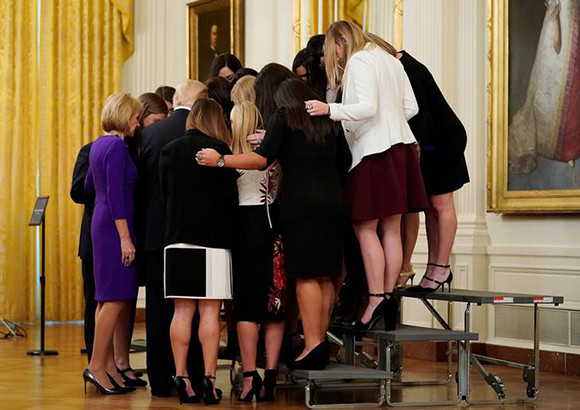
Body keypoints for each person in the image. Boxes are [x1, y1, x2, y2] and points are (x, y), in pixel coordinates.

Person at [196, 78, 352, 370]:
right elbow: (344, 159)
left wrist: (220, 160)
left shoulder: (284, 116)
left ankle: (312, 344)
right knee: (325, 275)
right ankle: (321, 341)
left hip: (301, 203)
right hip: (333, 200)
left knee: (306, 274)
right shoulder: (327, 118)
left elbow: (261, 159)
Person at [305, 21, 429, 331]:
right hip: (401, 149)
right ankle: (387, 298)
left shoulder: (359, 59)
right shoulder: (389, 58)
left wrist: (329, 110)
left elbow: (367, 107)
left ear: (342, 39)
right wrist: (390, 121)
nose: (335, 57)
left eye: (332, 49)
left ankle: (374, 298)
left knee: (364, 227)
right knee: (391, 227)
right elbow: (410, 107)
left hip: (374, 151)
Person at [161, 98, 238, 405]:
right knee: (209, 312)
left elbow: (166, 196)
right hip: (214, 240)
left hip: (178, 238)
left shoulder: (170, 150)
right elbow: (230, 201)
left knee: (182, 311)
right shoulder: (221, 152)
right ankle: (207, 379)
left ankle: (182, 377)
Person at [139, 80, 208, 397]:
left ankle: (160, 379)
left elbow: (142, 189)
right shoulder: (206, 135)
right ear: (201, 102)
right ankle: (191, 375)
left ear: (176, 101)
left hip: (155, 232)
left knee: (156, 310)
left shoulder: (151, 133)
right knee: (190, 308)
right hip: (194, 232)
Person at [82, 92, 143, 395]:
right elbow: (118, 196)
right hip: (115, 227)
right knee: (117, 297)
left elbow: (88, 186)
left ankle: (105, 366)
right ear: (124, 116)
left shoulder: (97, 144)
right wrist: (125, 238)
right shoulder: (118, 146)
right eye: (135, 117)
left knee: (105, 298)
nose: (137, 123)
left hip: (99, 222)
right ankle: (95, 366)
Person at [396, 49, 469, 292]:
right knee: (428, 207)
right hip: (430, 141)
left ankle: (442, 266)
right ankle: (432, 267)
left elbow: (419, 113)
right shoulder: (402, 66)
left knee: (441, 203)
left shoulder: (408, 68)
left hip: (442, 140)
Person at [230, 101, 284, 401]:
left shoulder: (231, 156)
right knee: (275, 305)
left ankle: (250, 376)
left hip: (246, 226)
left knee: (248, 306)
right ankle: (272, 376)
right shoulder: (274, 153)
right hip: (274, 225)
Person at [70, 143, 97, 363]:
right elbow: (77, 191)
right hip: (95, 239)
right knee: (94, 302)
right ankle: (95, 362)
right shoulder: (90, 150)